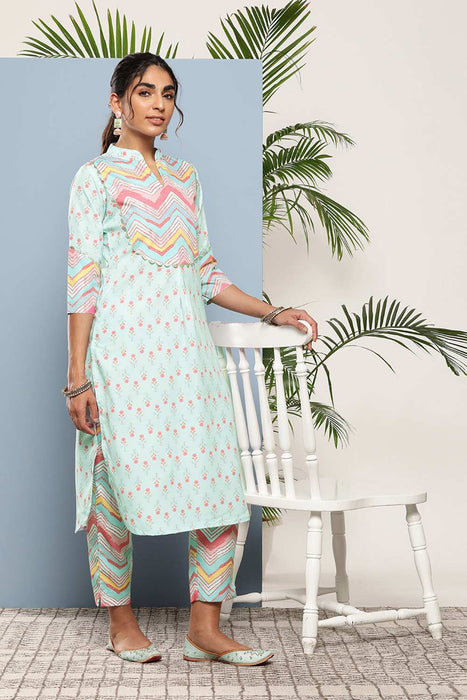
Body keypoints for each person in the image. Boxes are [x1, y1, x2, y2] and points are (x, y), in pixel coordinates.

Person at [64, 52, 318, 666]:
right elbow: (83, 279)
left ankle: (205, 627)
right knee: (113, 488)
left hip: (189, 358)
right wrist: (77, 377)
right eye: (145, 91)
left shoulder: (187, 177)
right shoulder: (95, 178)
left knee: (219, 487)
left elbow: (206, 273)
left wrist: (272, 312)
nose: (159, 104)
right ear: (117, 101)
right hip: (122, 359)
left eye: (168, 93)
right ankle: (120, 621)